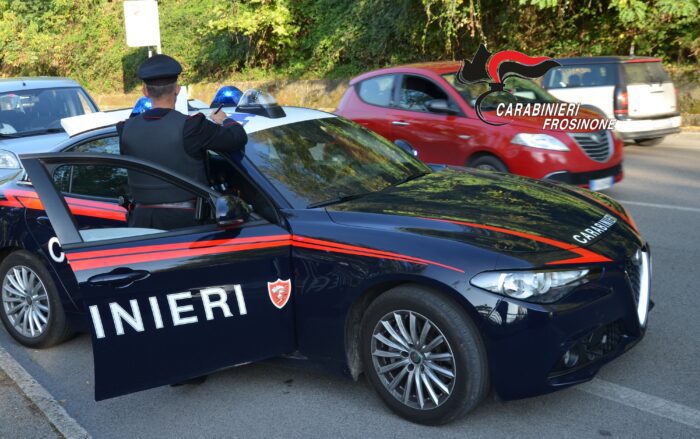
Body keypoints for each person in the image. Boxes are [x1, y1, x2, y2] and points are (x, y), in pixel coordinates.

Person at [117, 54, 247, 230]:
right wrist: (224, 120)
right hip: (187, 228)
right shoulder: (192, 127)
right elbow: (237, 138)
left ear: (145, 91)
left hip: (140, 227)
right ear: (177, 89)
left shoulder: (125, 129)